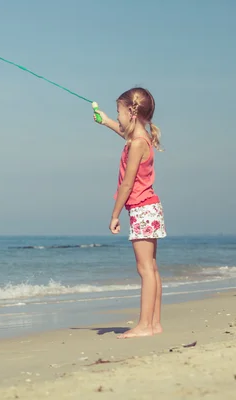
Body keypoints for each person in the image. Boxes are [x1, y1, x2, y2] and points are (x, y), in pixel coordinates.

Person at [94, 88, 167, 339]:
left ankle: (145, 325)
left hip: (142, 209)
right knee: (152, 268)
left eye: (119, 112)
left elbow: (127, 183)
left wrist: (115, 214)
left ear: (131, 112)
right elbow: (125, 132)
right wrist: (106, 122)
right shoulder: (140, 138)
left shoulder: (137, 144)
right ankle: (154, 323)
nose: (119, 117)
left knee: (145, 269)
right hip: (150, 208)